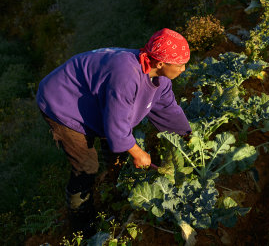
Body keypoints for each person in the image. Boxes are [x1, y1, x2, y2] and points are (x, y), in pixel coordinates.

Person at [36, 28, 192, 236]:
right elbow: (117, 127)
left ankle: (112, 189)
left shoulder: (161, 79)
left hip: (92, 98)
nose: (183, 68)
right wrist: (138, 153)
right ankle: (82, 227)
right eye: (180, 64)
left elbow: (167, 109)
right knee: (86, 167)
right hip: (62, 102)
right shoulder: (126, 75)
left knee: (116, 147)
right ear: (161, 63)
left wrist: (187, 137)